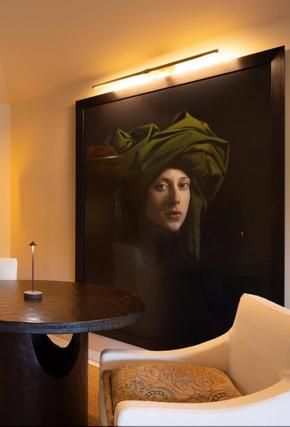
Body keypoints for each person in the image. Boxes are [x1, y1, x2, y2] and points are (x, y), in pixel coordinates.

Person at [105, 111, 230, 348]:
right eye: (161, 187)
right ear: (141, 195)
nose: (175, 199)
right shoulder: (129, 254)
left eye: (183, 185)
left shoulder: (199, 262)